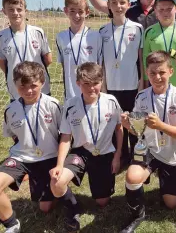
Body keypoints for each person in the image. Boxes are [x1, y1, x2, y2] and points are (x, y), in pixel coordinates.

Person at [119, 51, 176, 233]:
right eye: (152, 73)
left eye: (161, 72)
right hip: (150, 149)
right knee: (132, 177)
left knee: (171, 204)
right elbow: (139, 130)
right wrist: (127, 124)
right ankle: (137, 215)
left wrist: (160, 125)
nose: (157, 77)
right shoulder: (141, 97)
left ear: (171, 71)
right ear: (147, 73)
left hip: (171, 152)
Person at [0, 61, 61, 233]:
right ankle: (12, 224)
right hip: (21, 157)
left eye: (33, 85)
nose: (28, 91)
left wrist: (59, 163)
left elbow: (63, 134)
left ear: (42, 82)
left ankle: (44, 185)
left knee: (46, 207)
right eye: (22, 86)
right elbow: (13, 134)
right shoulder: (10, 109)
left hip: (48, 158)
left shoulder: (53, 105)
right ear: (15, 85)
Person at [49, 62, 123, 232]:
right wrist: (59, 165)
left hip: (105, 153)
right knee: (57, 183)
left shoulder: (111, 101)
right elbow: (66, 137)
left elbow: (119, 129)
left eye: (95, 83)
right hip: (81, 153)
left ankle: (99, 189)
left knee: (102, 202)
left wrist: (118, 155)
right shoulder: (70, 104)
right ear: (78, 84)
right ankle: (73, 207)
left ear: (102, 82)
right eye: (86, 84)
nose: (91, 88)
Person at [99, 0, 144, 165]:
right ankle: (120, 157)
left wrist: (141, 84)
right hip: (111, 87)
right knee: (116, 125)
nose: (118, 6)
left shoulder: (137, 28)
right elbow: (101, 62)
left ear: (129, 4)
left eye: (122, 2)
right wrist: (103, 87)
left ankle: (137, 157)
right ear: (108, 5)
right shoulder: (102, 31)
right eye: (114, 3)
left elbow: (141, 61)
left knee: (134, 123)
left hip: (132, 85)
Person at [0, 0, 52, 102]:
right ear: (4, 11)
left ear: (26, 11)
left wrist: (33, 75)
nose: (15, 13)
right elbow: (3, 64)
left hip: (40, 88)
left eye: (19, 9)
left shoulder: (38, 32)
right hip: (16, 90)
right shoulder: (0, 37)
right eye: (11, 9)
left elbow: (48, 59)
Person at [56, 0, 102, 101]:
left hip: (91, 92)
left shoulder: (96, 36)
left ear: (87, 12)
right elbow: (64, 67)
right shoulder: (61, 37)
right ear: (66, 11)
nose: (77, 16)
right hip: (71, 94)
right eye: (72, 11)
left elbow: (100, 66)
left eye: (80, 12)